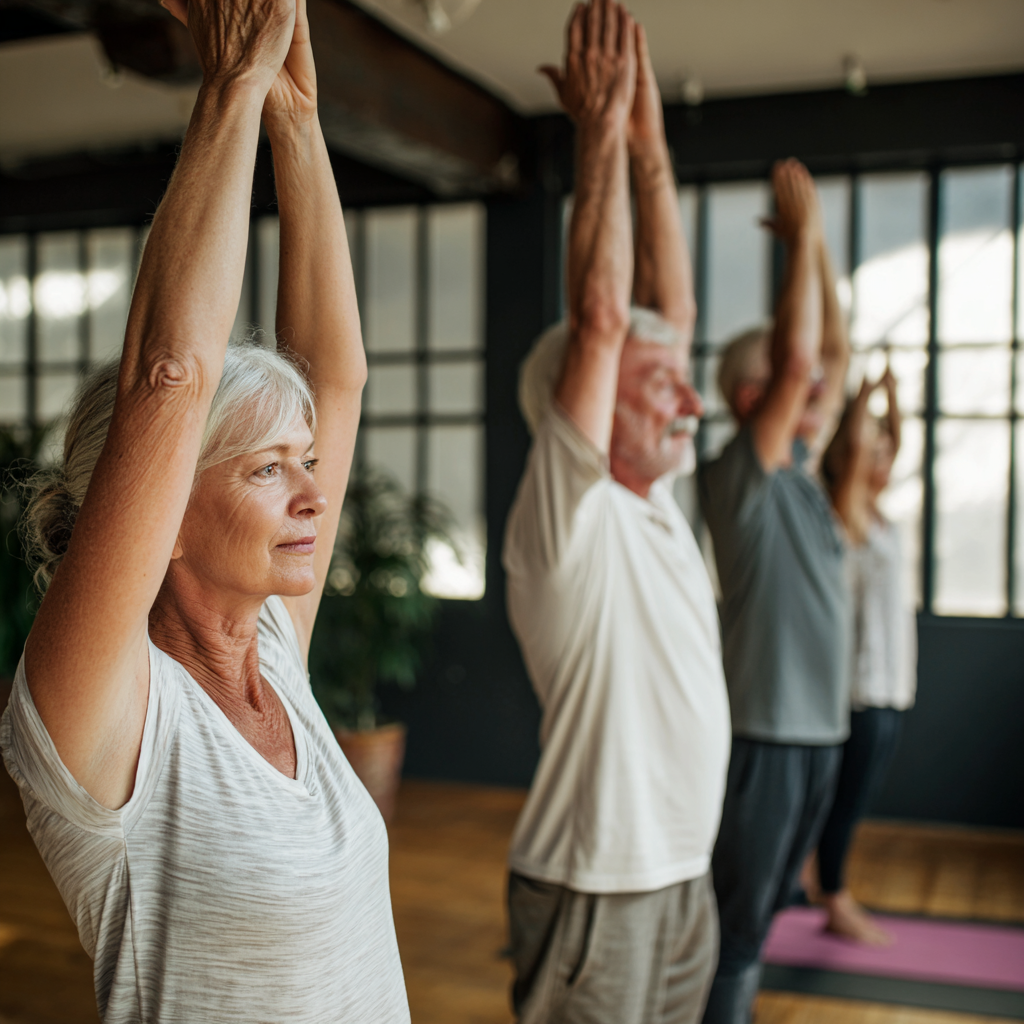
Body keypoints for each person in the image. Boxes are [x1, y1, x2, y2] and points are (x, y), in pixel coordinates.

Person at [0, 0, 410, 1019]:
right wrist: (227, 91)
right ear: (161, 511)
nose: (318, 493)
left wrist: (297, 122)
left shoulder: (272, 646)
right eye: (268, 469)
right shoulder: (105, 710)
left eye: (303, 461)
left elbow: (339, 378)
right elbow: (168, 377)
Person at [502, 2, 732, 1020]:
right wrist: (595, 137)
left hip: (683, 870)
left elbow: (663, 318)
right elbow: (603, 321)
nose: (690, 402)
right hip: (598, 881)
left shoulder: (656, 495)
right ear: (584, 414)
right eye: (658, 387)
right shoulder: (574, 517)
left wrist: (647, 146)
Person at [698, 161, 851, 1024]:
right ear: (756, 399)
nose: (819, 387)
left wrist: (815, 254)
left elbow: (825, 352)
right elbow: (807, 357)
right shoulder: (742, 476)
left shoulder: (797, 470)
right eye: (796, 385)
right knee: (742, 919)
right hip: (768, 735)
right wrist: (807, 241)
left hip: (817, 734)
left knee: (763, 916)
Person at [814, 368, 916, 945]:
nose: (882, 460)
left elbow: (892, 445)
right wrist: (860, 400)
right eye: (870, 451)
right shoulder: (845, 512)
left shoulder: (881, 515)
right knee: (847, 799)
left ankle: (818, 879)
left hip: (893, 683)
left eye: (886, 452)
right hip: (861, 688)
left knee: (855, 793)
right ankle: (835, 896)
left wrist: (892, 399)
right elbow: (855, 453)